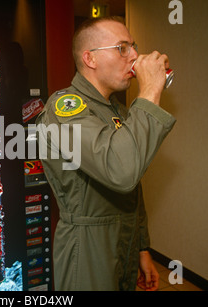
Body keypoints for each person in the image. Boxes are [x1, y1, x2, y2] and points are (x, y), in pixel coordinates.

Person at [35, 16, 176, 291]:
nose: (134, 55)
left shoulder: (119, 111)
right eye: (122, 47)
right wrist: (149, 92)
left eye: (133, 46)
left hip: (124, 239)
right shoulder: (66, 107)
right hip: (88, 246)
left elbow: (133, 186)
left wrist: (141, 248)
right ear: (90, 59)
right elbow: (120, 170)